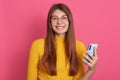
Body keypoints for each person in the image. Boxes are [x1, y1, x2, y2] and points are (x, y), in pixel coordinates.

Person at [27, 3, 98, 80]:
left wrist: (91, 70)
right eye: (55, 18)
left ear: (69, 21)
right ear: (50, 22)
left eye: (64, 18)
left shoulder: (79, 47)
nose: (59, 22)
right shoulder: (37, 45)